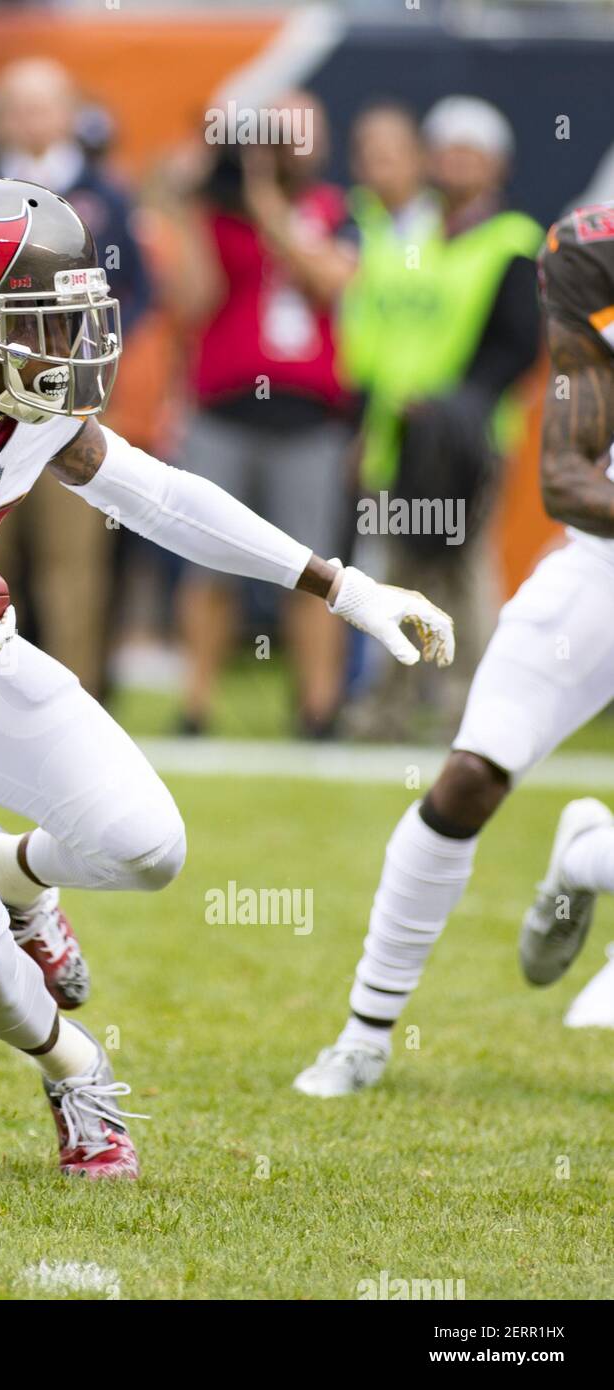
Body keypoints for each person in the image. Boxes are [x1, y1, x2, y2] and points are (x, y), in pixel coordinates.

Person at [0, 178, 453, 1178]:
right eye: (35, 324)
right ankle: (76, 1069)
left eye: (70, 319)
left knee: (146, 845)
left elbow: (148, 490)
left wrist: (338, 584)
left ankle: (11, 869)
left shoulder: (21, 380)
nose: (63, 348)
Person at [293, 197, 614, 1098]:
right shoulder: (597, 257)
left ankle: (586, 858)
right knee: (469, 776)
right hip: (605, 566)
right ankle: (364, 1032)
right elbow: (566, 475)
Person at [340, 96, 543, 742]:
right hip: (396, 435)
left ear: (497, 166)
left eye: (470, 153)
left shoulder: (512, 240)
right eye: (447, 149)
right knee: (395, 572)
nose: (455, 164)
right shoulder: (408, 236)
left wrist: (457, 407)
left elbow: (517, 346)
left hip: (467, 440)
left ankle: (473, 711)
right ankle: (390, 705)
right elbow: (380, 326)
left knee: (463, 569)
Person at [170, 92, 357, 738]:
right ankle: (194, 706)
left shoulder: (335, 209)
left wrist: (266, 203)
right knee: (207, 563)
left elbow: (331, 280)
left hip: (308, 418)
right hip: (223, 409)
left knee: (312, 570)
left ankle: (319, 708)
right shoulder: (220, 212)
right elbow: (192, 302)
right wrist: (191, 207)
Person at [0, 58, 151, 698]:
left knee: (71, 564)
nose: (30, 120)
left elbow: (138, 296)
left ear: (70, 113)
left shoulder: (107, 194)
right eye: (18, 106)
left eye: (43, 106)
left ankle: (78, 698)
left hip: (68, 402)